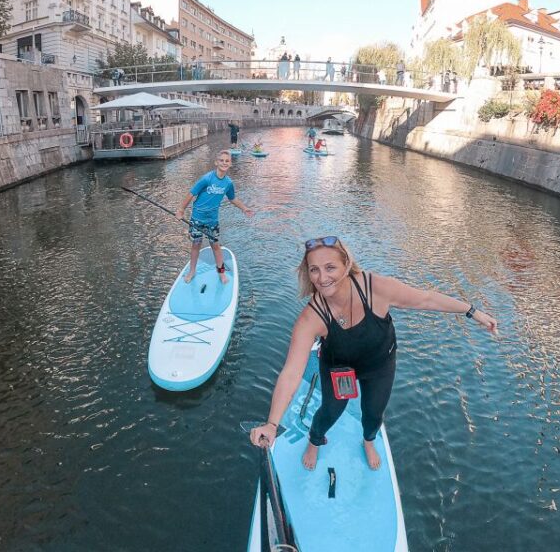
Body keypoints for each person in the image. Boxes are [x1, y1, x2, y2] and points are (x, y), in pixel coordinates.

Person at [249, 236, 498, 470]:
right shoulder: (311, 317)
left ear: (346, 264)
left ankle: (368, 442)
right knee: (331, 410)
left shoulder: (375, 287)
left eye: (330, 267)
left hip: (379, 364)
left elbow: (426, 300)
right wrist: (272, 424)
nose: (322, 278)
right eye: (314, 269)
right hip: (339, 368)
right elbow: (292, 372)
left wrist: (472, 311)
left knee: (373, 412)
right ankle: (315, 441)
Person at [175, 150, 254, 285]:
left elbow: (232, 199)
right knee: (196, 245)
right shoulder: (207, 178)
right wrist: (181, 210)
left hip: (212, 220)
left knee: (216, 246)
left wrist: (244, 208)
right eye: (221, 160)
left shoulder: (228, 183)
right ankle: (192, 271)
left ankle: (221, 272)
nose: (224, 163)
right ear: (216, 162)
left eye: (227, 161)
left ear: (230, 164)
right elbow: (191, 193)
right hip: (197, 218)